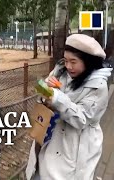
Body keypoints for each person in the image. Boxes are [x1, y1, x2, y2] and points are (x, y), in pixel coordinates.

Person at [26, 34, 113, 180]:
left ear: (88, 62)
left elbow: (82, 119)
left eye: (74, 61)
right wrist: (45, 90)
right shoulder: (60, 71)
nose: (68, 66)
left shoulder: (98, 86)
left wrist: (56, 97)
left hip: (74, 146)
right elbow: (43, 95)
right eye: (66, 60)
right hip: (49, 137)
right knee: (38, 172)